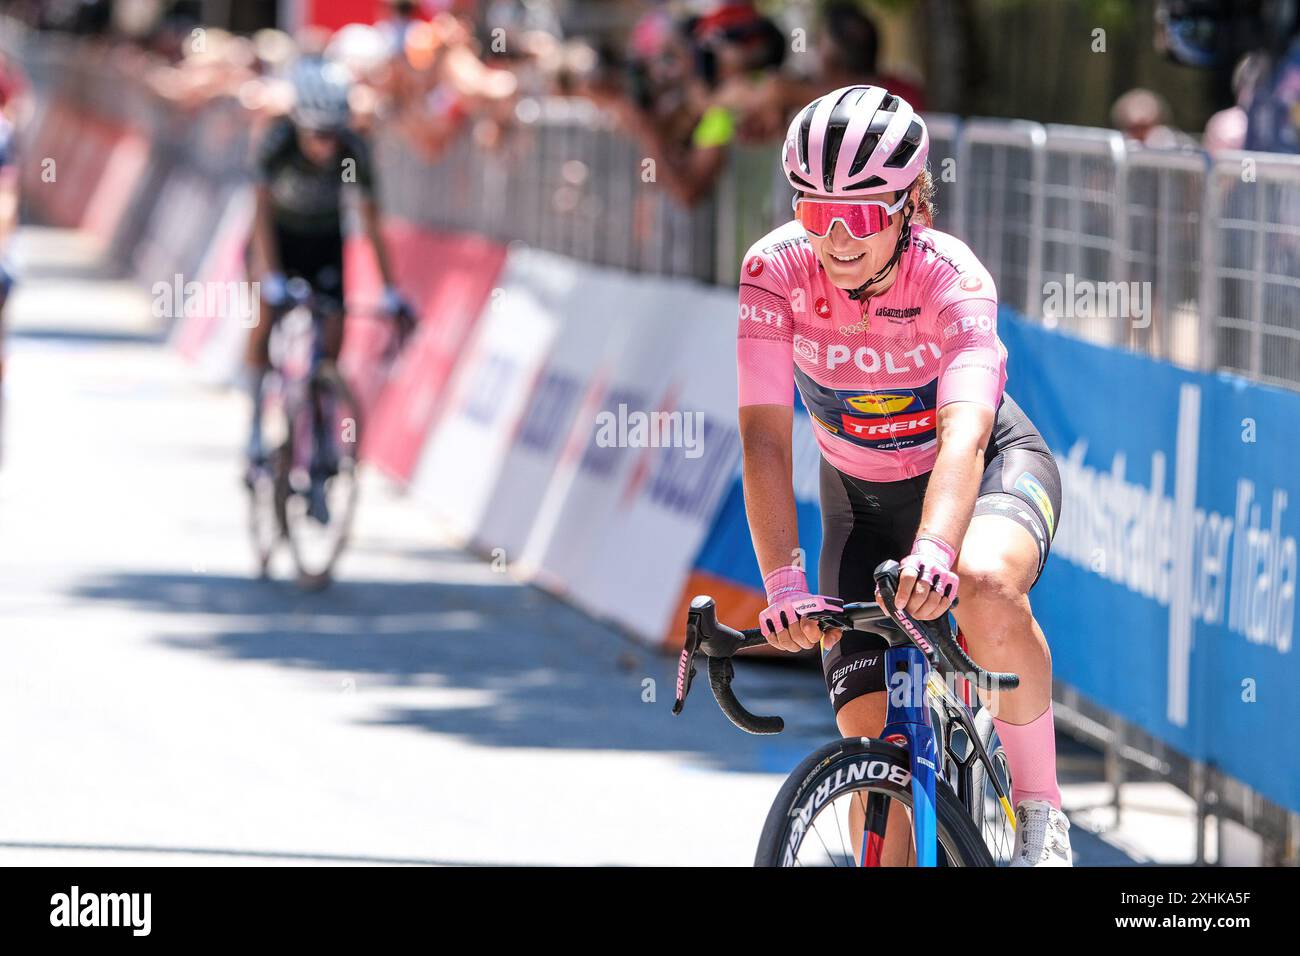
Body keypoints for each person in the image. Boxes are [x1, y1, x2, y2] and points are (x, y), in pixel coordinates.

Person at [736, 85, 1071, 866]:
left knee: (985, 583)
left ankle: (1042, 812)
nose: (838, 236)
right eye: (817, 213)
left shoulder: (952, 279)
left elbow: (964, 433)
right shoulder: (774, 271)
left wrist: (936, 549)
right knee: (875, 767)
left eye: (861, 213)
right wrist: (782, 585)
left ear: (908, 204)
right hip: (860, 505)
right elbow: (762, 439)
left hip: (980, 476)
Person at [245, 56, 410, 520]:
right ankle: (255, 422)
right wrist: (271, 276)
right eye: (316, 133)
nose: (324, 144)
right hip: (276, 237)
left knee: (333, 335)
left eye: (331, 133)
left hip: (323, 241)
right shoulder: (277, 141)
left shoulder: (350, 151)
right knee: (264, 315)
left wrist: (391, 290)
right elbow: (257, 212)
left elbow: (372, 221)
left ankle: (319, 431)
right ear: (298, 123)